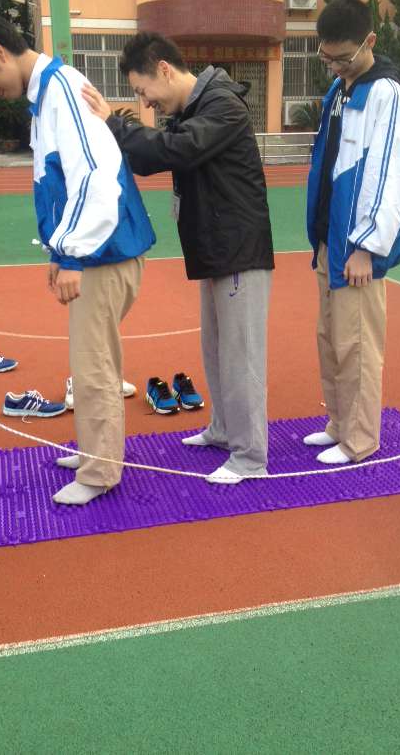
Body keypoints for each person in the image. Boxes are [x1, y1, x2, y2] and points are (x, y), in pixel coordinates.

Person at [0, 12, 156, 504]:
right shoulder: (46, 97)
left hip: (104, 252)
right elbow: (59, 183)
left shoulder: (62, 91)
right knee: (90, 360)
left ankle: (100, 470)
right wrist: (60, 250)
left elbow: (94, 178)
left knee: (94, 364)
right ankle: (94, 451)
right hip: (96, 250)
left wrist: (73, 255)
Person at [83, 32, 274, 485]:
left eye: (142, 89)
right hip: (216, 249)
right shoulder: (194, 110)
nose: (144, 101)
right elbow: (154, 155)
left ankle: (251, 457)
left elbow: (172, 151)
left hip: (238, 251)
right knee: (216, 350)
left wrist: (113, 123)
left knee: (241, 357)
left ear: (164, 70)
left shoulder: (223, 106)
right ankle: (224, 429)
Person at [304, 0, 400, 465]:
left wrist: (367, 248)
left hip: (357, 249)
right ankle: (338, 423)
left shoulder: (386, 96)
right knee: (330, 340)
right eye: (326, 56)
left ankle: (359, 439)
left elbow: (397, 176)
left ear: (369, 42)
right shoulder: (340, 90)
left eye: (342, 57)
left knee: (357, 346)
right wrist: (320, 237)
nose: (333, 66)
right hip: (329, 239)